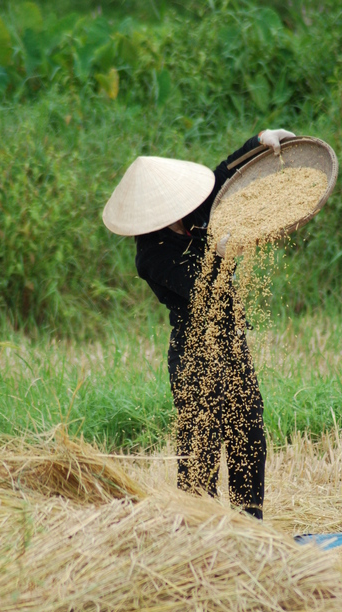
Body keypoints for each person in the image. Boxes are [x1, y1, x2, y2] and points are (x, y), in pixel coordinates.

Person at [103, 128, 295, 519]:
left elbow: (225, 174)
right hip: (193, 350)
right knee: (200, 445)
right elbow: (201, 292)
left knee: (248, 435)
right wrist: (222, 252)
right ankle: (198, 531)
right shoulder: (151, 254)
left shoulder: (195, 208)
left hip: (230, 341)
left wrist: (261, 140)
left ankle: (249, 524)